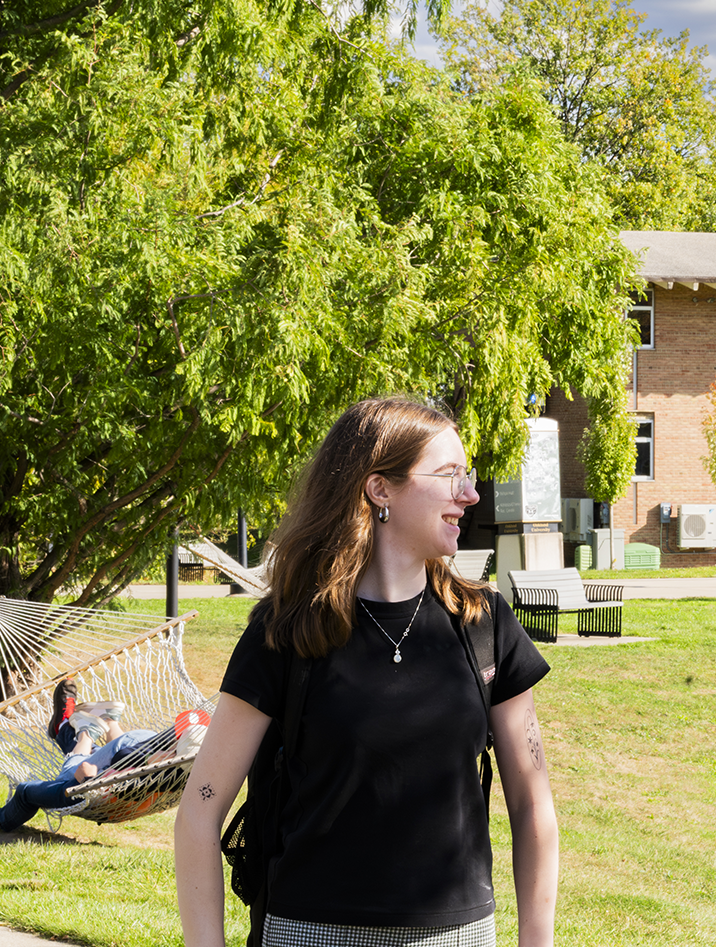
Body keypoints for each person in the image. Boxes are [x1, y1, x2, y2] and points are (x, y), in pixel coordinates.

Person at [174, 396, 559, 947]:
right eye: (450, 475)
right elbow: (199, 814)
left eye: (467, 475)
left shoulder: (483, 624)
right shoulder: (286, 630)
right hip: (309, 936)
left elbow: (533, 805)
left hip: (459, 937)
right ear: (380, 489)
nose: (470, 494)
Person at [0, 700, 161, 832]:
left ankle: (89, 726)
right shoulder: (182, 767)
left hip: (137, 743)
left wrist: (89, 779)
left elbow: (113, 759)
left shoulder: (168, 752)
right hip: (129, 755)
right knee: (92, 758)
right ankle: (80, 727)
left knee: (27, 789)